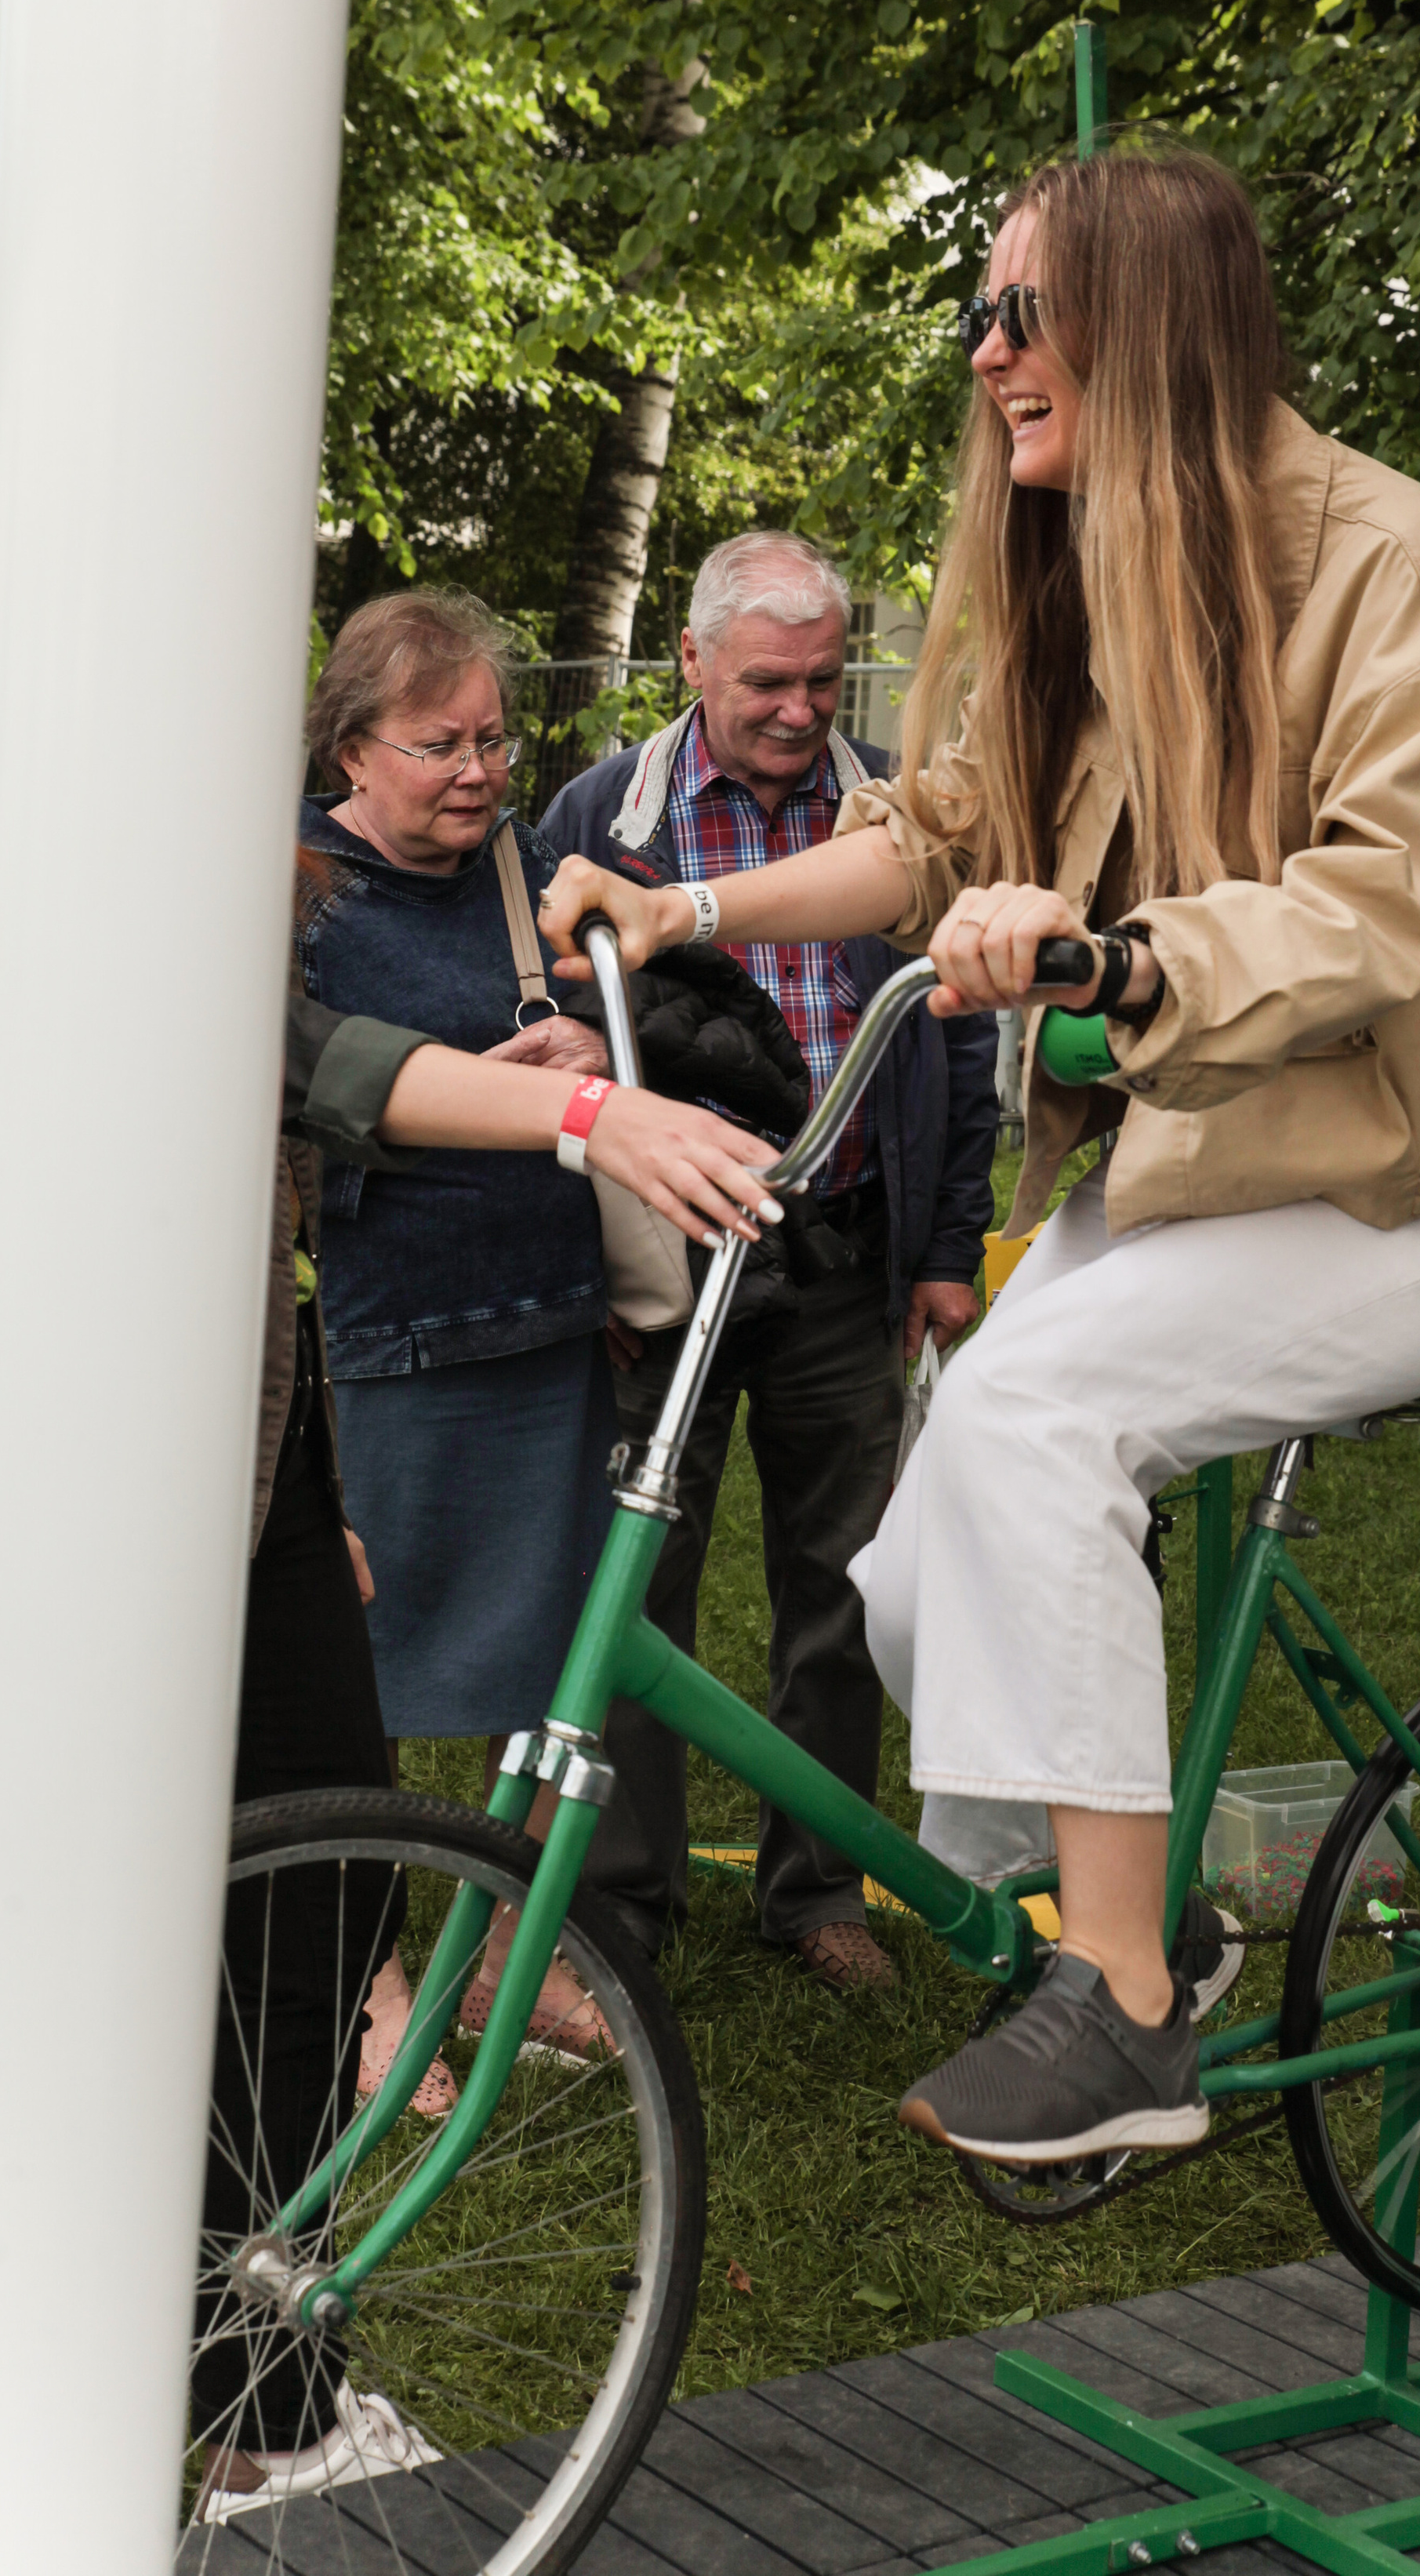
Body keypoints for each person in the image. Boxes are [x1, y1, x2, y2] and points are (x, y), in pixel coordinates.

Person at [539, 142, 1420, 2167]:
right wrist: (690, 915)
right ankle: (1135, 1908)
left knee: (1034, 1441)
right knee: (924, 1543)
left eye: (1025, 312)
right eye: (983, 315)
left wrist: (1119, 954)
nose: (989, 353)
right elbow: (936, 831)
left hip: (1416, 1188)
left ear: (1157, 318)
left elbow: (1386, 905)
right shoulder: (1098, 570)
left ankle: (1122, 2009)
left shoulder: (1397, 571)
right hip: (1218, 1168)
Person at [198, 970, 779, 2523]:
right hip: (103, 1476)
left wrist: (304, 1491)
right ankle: (220, 2393)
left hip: (248, 1453)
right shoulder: (113, 883)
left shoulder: (227, 882)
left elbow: (310, 1108)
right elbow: (328, 1062)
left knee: (315, 1920)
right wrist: (588, 1109)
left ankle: (256, 2393)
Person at [540, 532, 1000, 1992]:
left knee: (846, 1585)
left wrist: (943, 1246)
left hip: (847, 1256)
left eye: (821, 678)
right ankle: (621, 1902)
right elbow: (549, 1055)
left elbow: (961, 1028)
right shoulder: (606, 815)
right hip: (667, 1272)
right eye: (766, 683)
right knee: (638, 1579)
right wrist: (594, 1270)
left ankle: (818, 1891)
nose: (801, 710)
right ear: (690, 663)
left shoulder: (892, 817)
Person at [296, 587, 634, 2069]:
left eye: (497, 738)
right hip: (393, 1340)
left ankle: (519, 1955)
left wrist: (590, 1042)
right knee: (358, 1686)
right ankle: (367, 1988)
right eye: (443, 744)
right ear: (355, 747)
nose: (484, 770)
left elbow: (653, 1024)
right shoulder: (296, 889)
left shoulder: (529, 866)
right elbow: (299, 1101)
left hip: (549, 1327)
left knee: (555, 1668)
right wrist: (471, 1092)